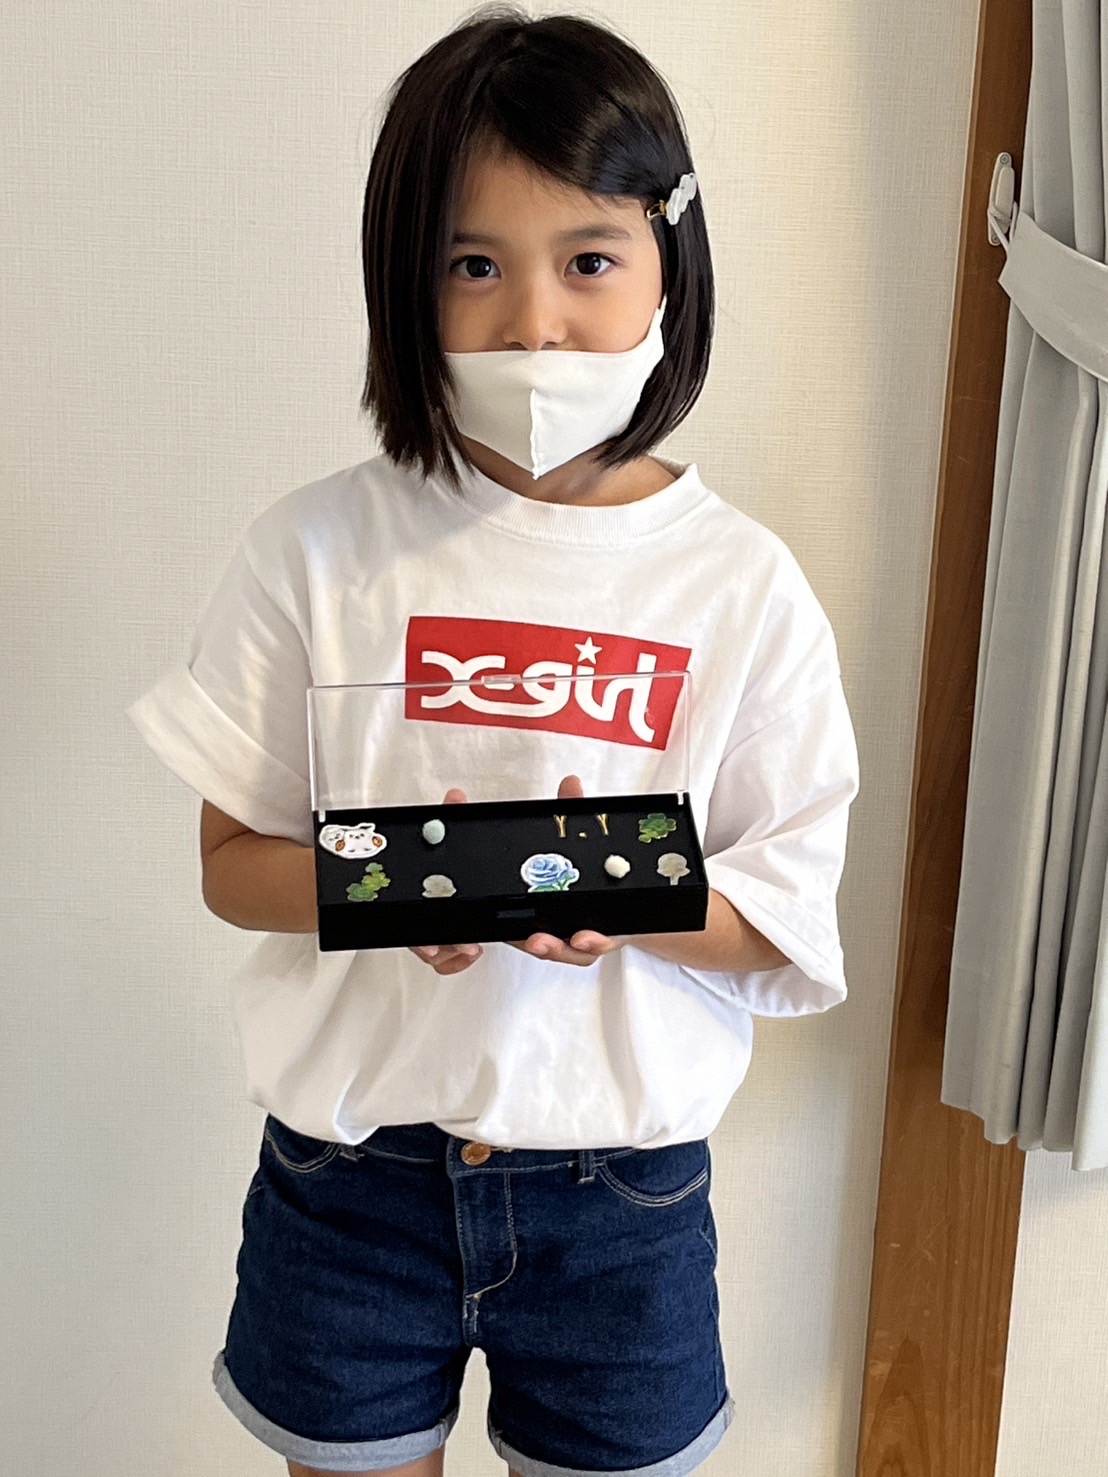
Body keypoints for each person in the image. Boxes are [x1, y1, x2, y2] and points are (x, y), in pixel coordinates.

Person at [125, 7, 861, 1476]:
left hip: (623, 1204)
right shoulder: (317, 551)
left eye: (589, 259)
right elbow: (232, 864)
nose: (534, 322)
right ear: (405, 283)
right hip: (350, 1186)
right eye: (474, 264)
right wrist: (406, 879)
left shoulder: (741, 587)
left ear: (669, 264)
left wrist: (612, 887)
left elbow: (780, 922)